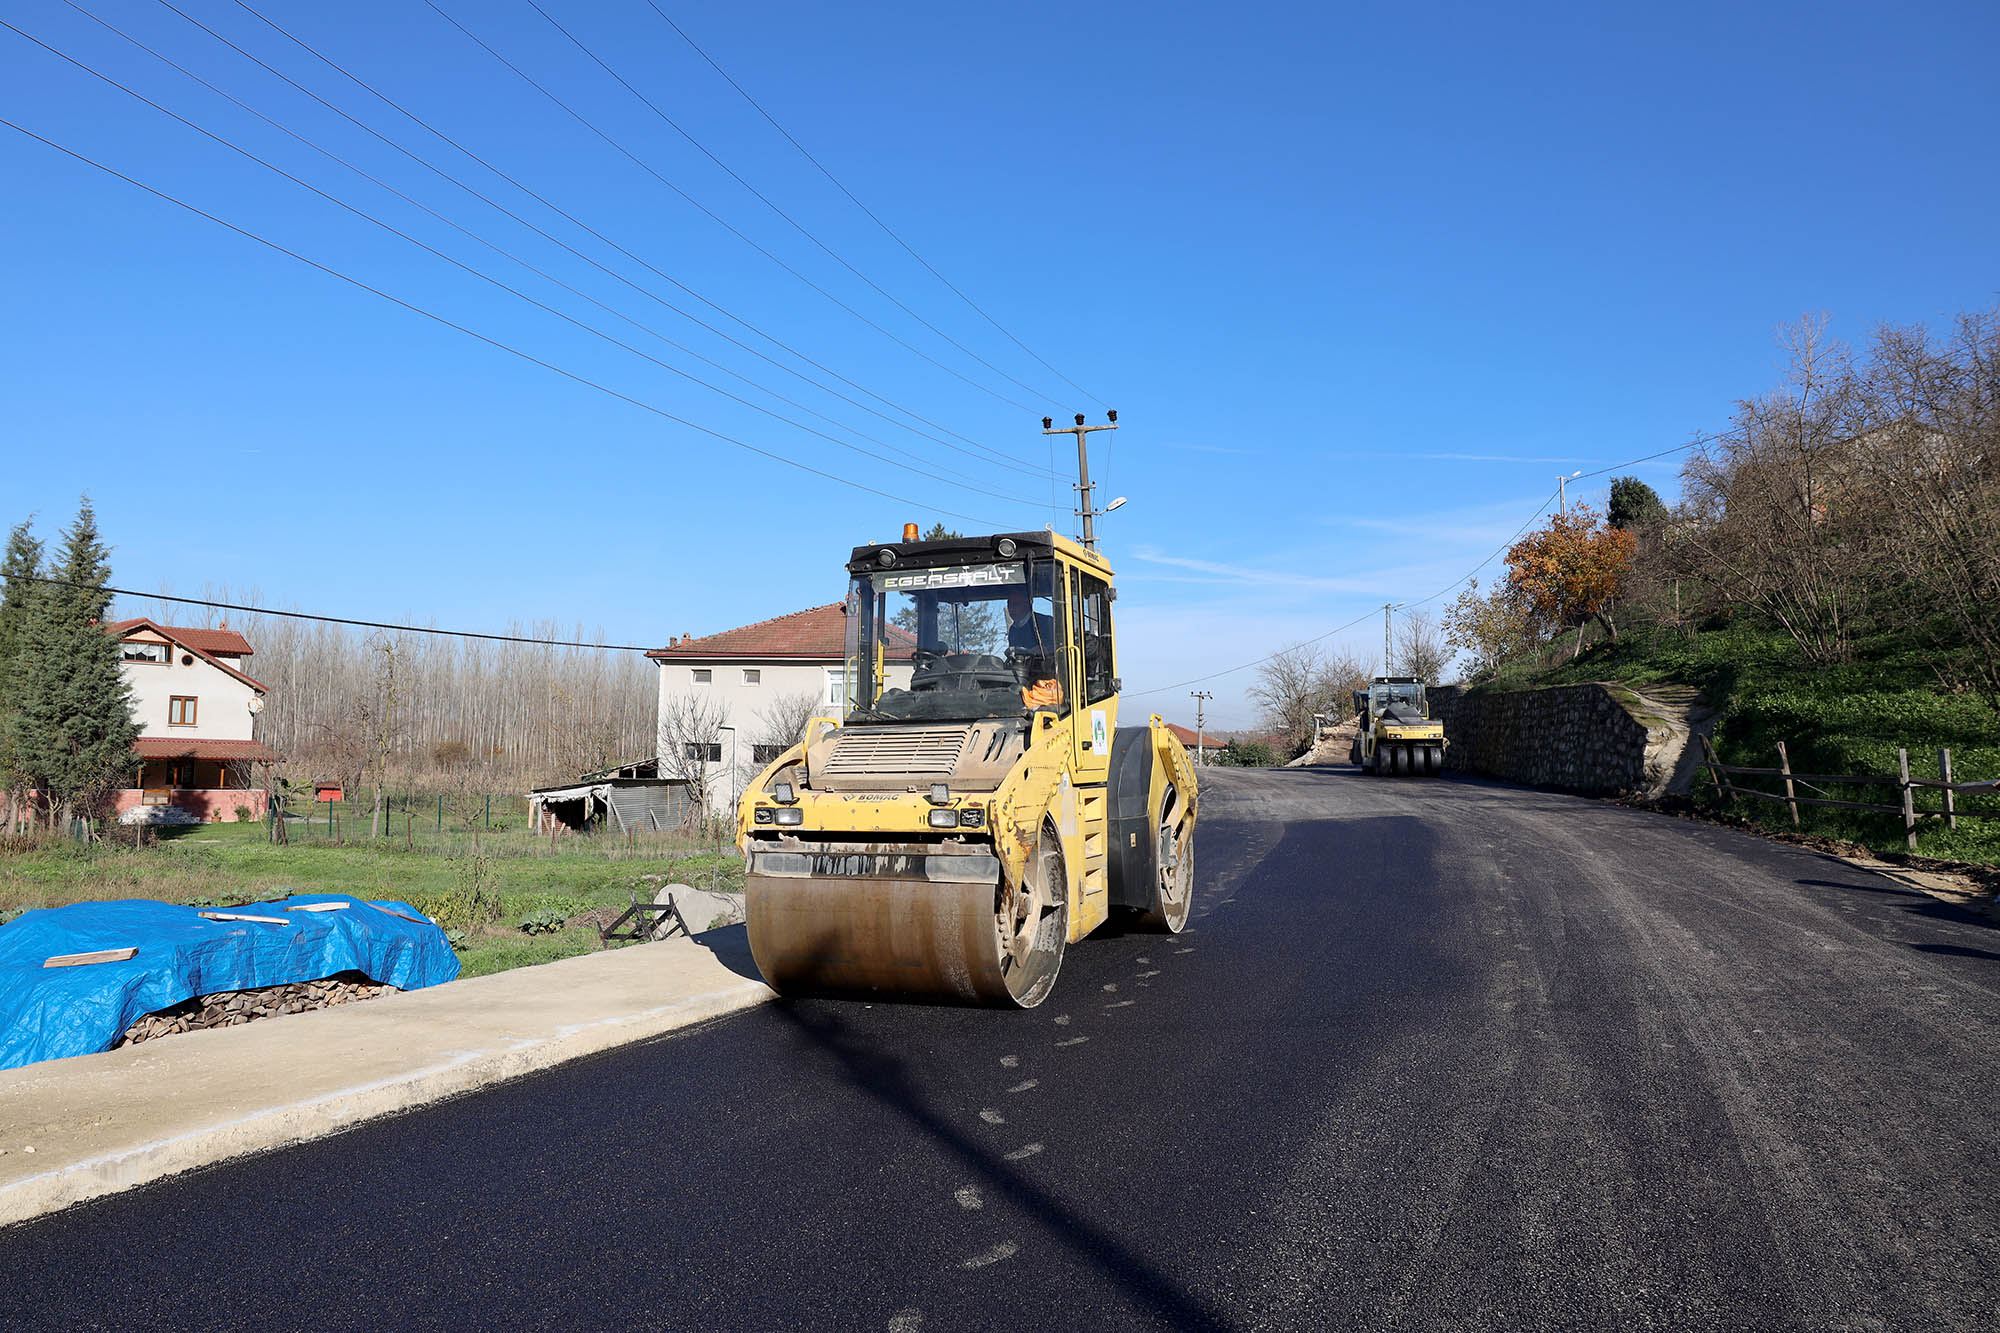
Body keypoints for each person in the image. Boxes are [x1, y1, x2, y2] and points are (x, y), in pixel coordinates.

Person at [1004, 588, 1056, 655]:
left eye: (1016, 604)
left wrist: (1044, 650)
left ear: (1028, 604)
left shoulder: (1047, 622)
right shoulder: (1013, 630)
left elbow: (1060, 647)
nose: (1011, 608)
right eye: (1009, 605)